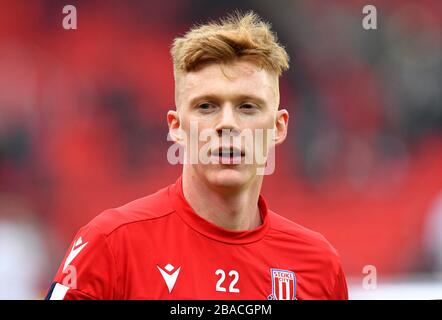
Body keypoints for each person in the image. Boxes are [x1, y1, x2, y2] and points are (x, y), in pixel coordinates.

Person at [45, 11, 348, 300]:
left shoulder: (318, 267)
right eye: (207, 106)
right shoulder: (110, 245)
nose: (227, 123)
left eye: (247, 106)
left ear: (279, 126)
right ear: (176, 127)